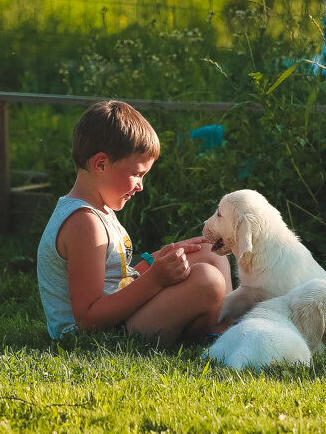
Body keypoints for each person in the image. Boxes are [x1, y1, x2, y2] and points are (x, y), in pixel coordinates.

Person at [37, 100, 232, 344]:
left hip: (120, 319)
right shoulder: (84, 224)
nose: (140, 186)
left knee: (209, 250)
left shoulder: (100, 209)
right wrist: (155, 278)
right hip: (99, 336)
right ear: (101, 164)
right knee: (207, 280)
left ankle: (228, 323)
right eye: (137, 174)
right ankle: (219, 333)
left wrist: (157, 260)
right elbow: (88, 319)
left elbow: (115, 279)